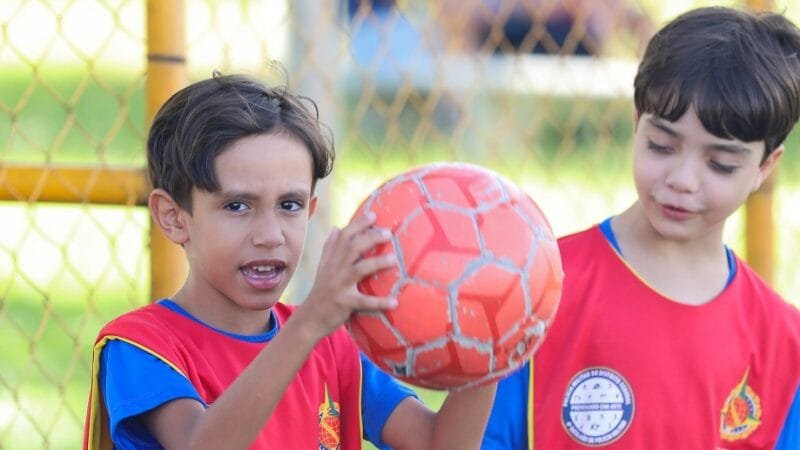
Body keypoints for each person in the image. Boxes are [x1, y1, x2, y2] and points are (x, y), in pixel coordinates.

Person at [82, 73, 497, 449]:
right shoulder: (141, 347)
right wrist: (311, 323)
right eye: (238, 206)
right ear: (174, 218)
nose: (270, 235)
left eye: (289, 205)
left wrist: (492, 341)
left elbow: (438, 445)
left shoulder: (333, 346)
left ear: (311, 210)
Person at [482, 6, 800, 449]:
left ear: (765, 167)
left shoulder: (784, 344)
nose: (682, 180)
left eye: (720, 163)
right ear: (636, 123)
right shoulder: (542, 289)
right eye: (662, 145)